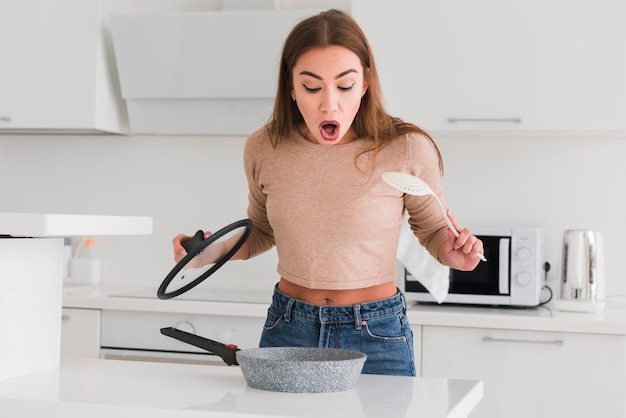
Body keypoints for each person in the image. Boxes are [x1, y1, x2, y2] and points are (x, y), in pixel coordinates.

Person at [172, 9, 483, 377]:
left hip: (375, 332)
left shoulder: (407, 148)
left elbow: (433, 230)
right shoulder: (264, 148)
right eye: (312, 86)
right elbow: (262, 229)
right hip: (289, 325)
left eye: (345, 85)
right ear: (290, 87)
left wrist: (450, 252)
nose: (329, 103)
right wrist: (210, 251)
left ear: (365, 83)